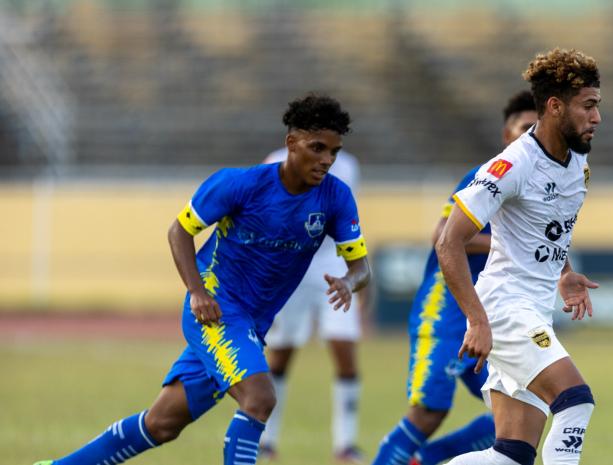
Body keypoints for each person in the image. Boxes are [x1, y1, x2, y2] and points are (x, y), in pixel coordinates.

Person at [33, 93, 371, 465]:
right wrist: (196, 291)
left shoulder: (337, 198)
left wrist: (347, 282)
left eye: (334, 152)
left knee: (161, 424)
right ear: (291, 143)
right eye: (317, 147)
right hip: (216, 308)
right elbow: (179, 231)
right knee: (260, 398)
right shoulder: (239, 185)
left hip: (252, 325)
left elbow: (361, 266)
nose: (326, 160)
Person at [437, 48, 601, 465]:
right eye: (588, 106)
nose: (597, 117)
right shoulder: (512, 165)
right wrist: (477, 320)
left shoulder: (578, 161)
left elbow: (552, 222)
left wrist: (563, 272)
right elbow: (448, 242)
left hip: (535, 310)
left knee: (510, 456)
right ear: (554, 106)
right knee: (575, 401)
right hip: (506, 310)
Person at [371, 90, 538, 465]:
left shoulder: (536, 186)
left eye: (537, 129)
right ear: (506, 135)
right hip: (446, 309)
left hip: (492, 314)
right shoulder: (488, 176)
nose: (531, 136)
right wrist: (506, 245)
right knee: (429, 411)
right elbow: (442, 233)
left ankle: (424, 460)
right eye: (525, 127)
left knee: (515, 418)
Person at [258, 146, 365, 463]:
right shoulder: (274, 161)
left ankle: (345, 445)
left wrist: (358, 277)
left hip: (333, 263)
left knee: (344, 348)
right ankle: (267, 441)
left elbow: (349, 219)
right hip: (290, 262)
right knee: (280, 354)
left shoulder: (347, 166)